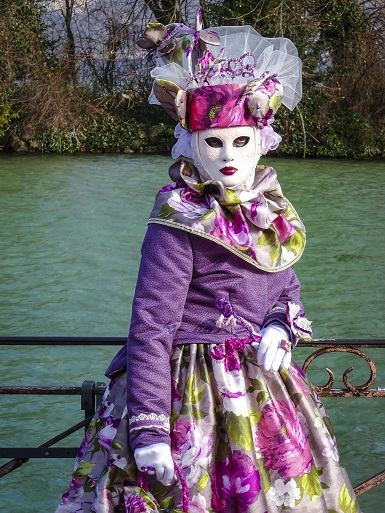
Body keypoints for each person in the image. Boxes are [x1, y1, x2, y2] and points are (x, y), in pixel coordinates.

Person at [56, 9, 361, 513]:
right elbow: (151, 326)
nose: (228, 155)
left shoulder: (270, 211)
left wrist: (280, 328)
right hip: (187, 395)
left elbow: (285, 286)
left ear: (260, 142)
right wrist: (150, 429)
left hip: (265, 391)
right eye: (214, 142)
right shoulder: (177, 216)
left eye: (241, 141)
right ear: (193, 145)